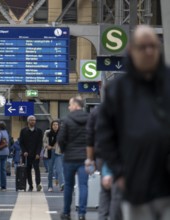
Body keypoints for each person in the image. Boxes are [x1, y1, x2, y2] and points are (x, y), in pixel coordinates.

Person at [96, 25, 170, 220]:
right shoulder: (117, 90)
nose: (149, 51)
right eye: (142, 47)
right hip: (136, 186)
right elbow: (105, 135)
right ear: (131, 51)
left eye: (153, 46)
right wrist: (119, 172)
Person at [58, 97, 89, 220]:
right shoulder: (89, 119)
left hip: (69, 158)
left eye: (70, 105)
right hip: (85, 157)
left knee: (69, 186)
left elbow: (61, 139)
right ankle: (82, 214)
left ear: (76, 105)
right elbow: (94, 137)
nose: (69, 107)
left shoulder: (67, 120)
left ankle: (66, 212)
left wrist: (65, 150)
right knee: (83, 185)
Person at [19, 115, 43, 192]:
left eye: (34, 120)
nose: (33, 122)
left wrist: (38, 153)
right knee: (28, 171)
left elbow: (40, 143)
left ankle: (38, 184)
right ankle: (30, 186)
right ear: (28, 121)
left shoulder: (39, 131)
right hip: (26, 155)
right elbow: (21, 143)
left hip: (36, 154)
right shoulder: (23, 131)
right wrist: (24, 151)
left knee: (37, 170)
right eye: (31, 120)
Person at [43, 120, 64, 192]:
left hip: (58, 152)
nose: (55, 126)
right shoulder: (47, 132)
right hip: (49, 152)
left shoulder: (61, 133)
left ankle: (62, 185)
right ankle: (50, 186)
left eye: (57, 125)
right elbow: (44, 142)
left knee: (59, 169)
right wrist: (47, 146)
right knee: (50, 170)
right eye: (54, 125)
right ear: (51, 126)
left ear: (59, 126)